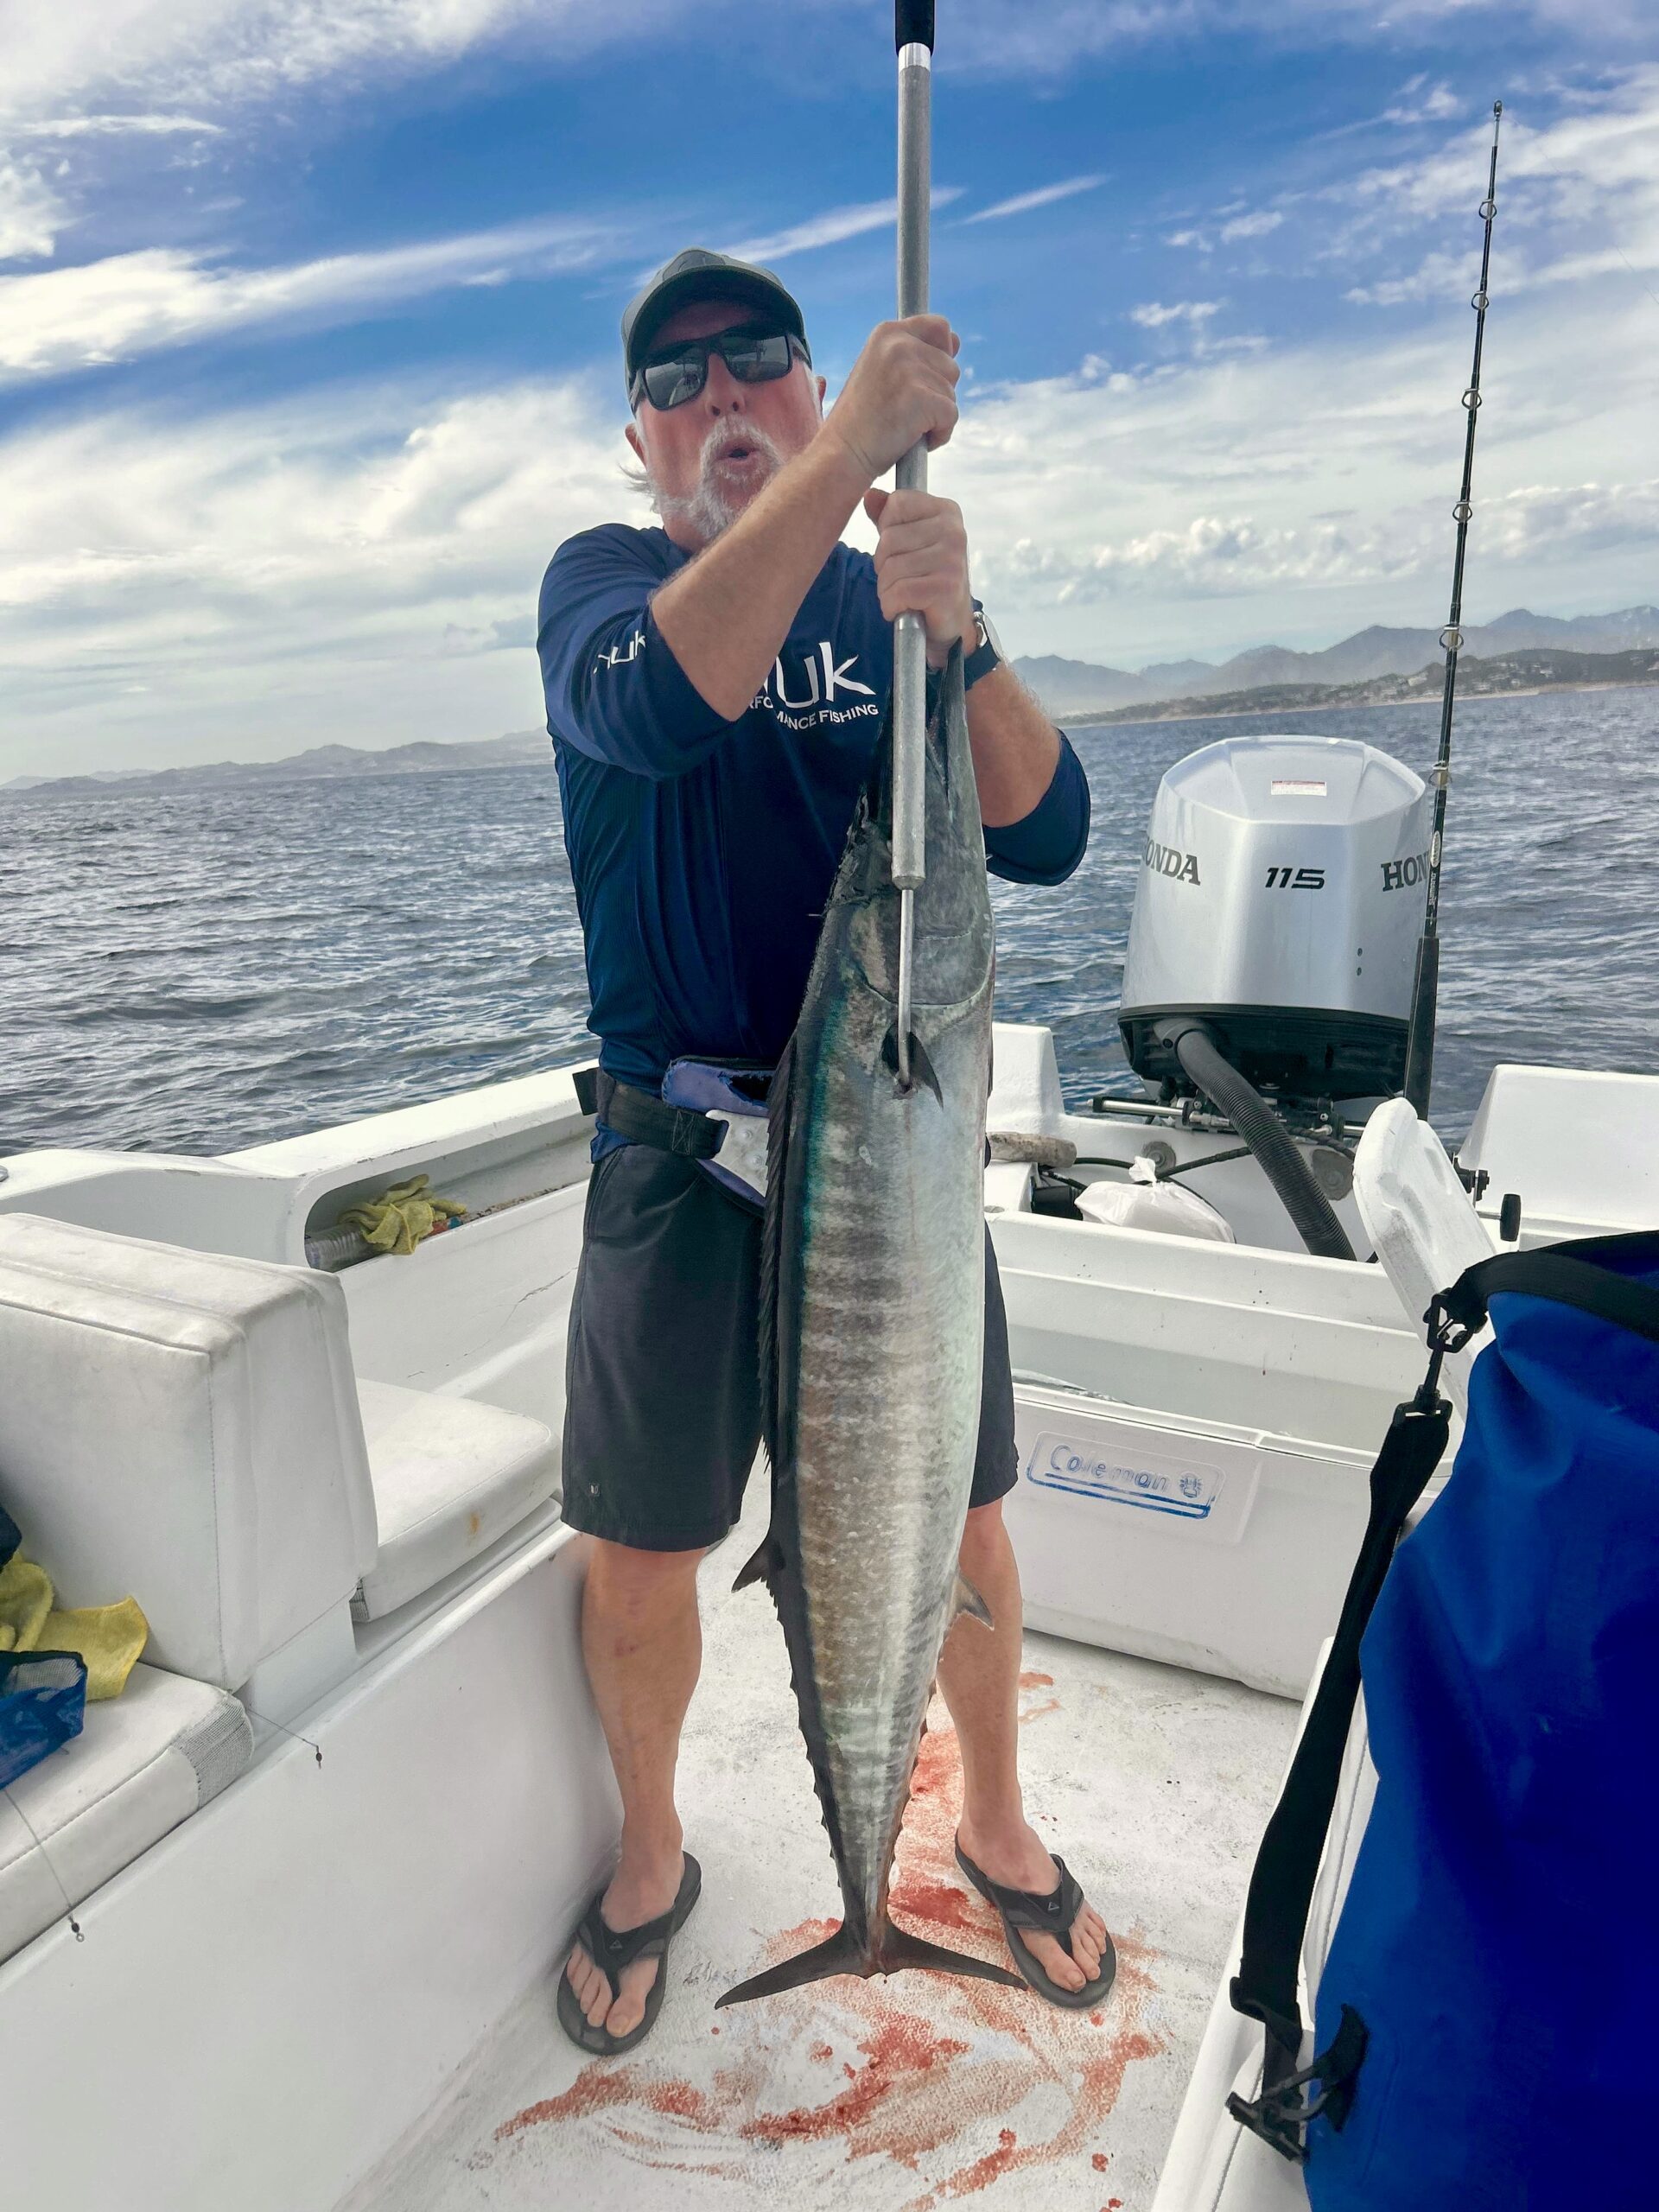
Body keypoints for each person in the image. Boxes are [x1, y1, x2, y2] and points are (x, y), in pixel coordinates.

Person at [537, 248, 1109, 2056]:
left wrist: (966, 631)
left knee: (966, 1519)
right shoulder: (604, 590)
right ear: (638, 438)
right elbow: (651, 709)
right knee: (637, 1554)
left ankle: (987, 1824)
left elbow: (1052, 831)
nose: (718, 398)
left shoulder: (890, 602)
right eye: (675, 382)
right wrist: (853, 437)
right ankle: (652, 1855)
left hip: (893, 1152)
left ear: (796, 384)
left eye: (756, 363)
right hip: (679, 1158)